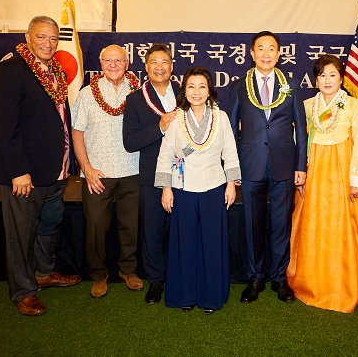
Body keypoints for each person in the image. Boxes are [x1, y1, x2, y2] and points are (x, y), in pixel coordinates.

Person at [287, 54, 358, 313]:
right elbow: (297, 141)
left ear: (341, 79)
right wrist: (300, 171)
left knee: (345, 226)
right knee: (316, 227)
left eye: (332, 75)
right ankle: (315, 282)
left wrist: (356, 180)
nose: (327, 80)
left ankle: (345, 283)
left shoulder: (353, 106)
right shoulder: (306, 105)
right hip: (314, 175)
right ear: (315, 80)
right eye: (322, 75)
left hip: (344, 173)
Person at [0, 15, 81, 316]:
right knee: (21, 233)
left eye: (53, 38)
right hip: (25, 173)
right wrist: (17, 170)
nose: (48, 43)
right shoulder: (10, 70)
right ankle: (22, 291)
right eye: (41, 37)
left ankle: (44, 272)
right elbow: (4, 125)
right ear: (28, 37)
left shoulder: (54, 70)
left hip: (56, 170)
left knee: (49, 225)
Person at [228, 31, 308, 303]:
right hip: (250, 166)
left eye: (271, 49)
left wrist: (301, 165)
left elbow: (302, 129)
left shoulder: (291, 84)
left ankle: (279, 278)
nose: (265, 54)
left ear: (278, 54)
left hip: (285, 166)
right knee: (252, 223)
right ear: (251, 54)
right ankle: (255, 277)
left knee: (281, 224)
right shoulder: (240, 86)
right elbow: (230, 129)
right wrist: (232, 168)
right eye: (260, 48)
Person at [155, 67, 241, 314]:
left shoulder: (221, 117)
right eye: (191, 86)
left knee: (212, 244)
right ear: (184, 90)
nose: (196, 92)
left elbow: (231, 154)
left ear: (209, 90)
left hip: (214, 188)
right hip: (182, 189)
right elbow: (164, 156)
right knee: (186, 244)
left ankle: (211, 296)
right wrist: (166, 188)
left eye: (202, 86)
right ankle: (186, 295)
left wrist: (231, 184)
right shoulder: (176, 119)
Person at [71, 44, 144, 298]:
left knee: (130, 225)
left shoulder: (138, 92)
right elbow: (77, 133)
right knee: (96, 227)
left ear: (127, 64)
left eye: (119, 60)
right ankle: (99, 274)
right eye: (108, 60)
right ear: (101, 64)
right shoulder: (87, 94)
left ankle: (128, 271)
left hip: (132, 169)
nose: (114, 65)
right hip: (97, 174)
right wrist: (87, 169)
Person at [122, 43, 179, 304]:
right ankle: (155, 280)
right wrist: (160, 126)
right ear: (146, 68)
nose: (159, 66)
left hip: (185, 176)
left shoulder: (187, 93)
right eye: (154, 62)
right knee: (153, 231)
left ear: (172, 66)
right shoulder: (135, 99)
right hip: (152, 176)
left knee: (179, 229)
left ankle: (178, 275)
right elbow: (130, 142)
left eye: (164, 62)